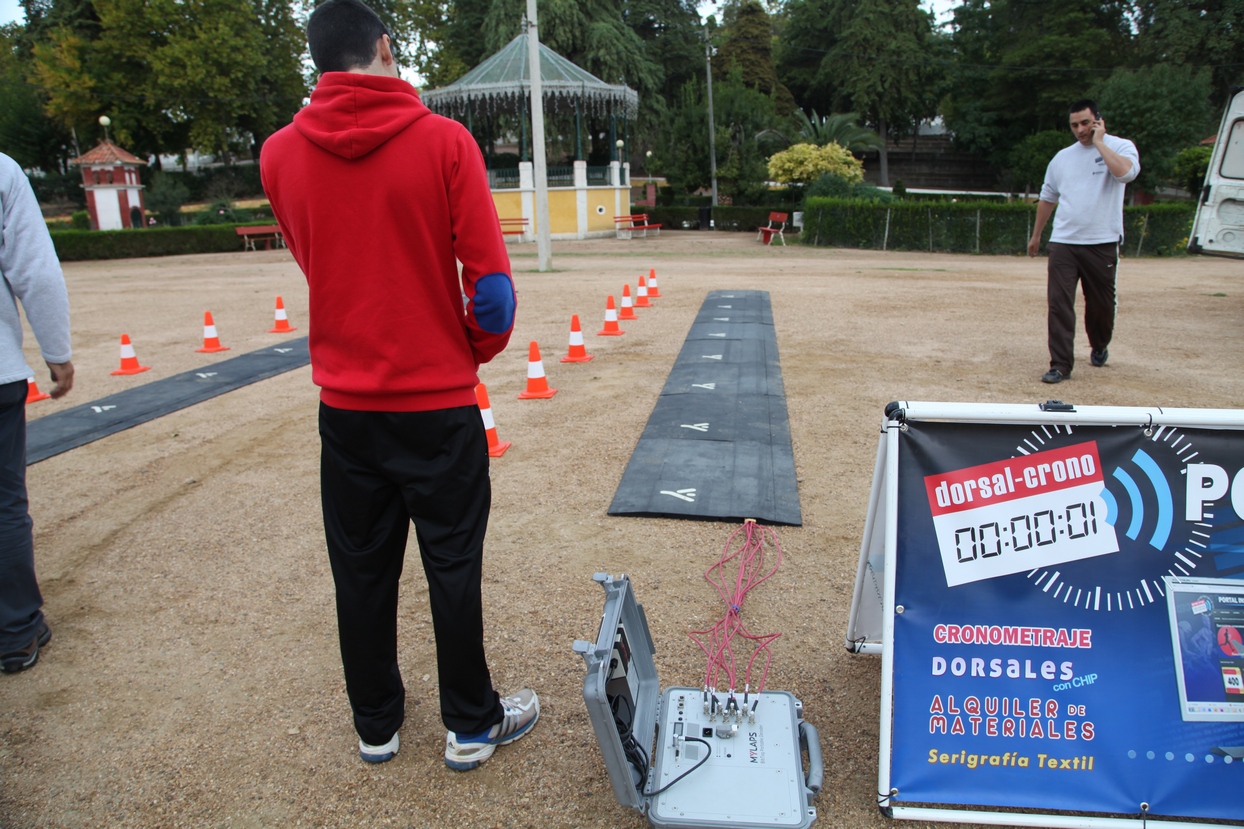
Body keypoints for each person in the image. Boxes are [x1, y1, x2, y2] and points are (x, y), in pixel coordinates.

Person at [259, 0, 535, 770]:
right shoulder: (445, 142)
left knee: (360, 568)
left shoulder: (279, 154)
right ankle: (470, 723)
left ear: (319, 60)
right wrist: (467, 351)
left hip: (346, 405)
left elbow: (318, 259)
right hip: (437, 400)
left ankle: (376, 724)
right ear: (385, 46)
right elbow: (493, 294)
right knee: (452, 563)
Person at [0, 152, 74, 674]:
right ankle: (16, 631)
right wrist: (57, 351)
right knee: (4, 504)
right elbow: (35, 270)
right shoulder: (2, 171)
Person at [1027, 99, 1139, 384]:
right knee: (1059, 303)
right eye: (1074, 125)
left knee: (1100, 304)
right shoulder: (1062, 158)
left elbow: (1126, 173)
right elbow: (1048, 196)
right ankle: (1061, 364)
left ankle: (1099, 344)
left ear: (1098, 120)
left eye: (1085, 123)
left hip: (1102, 241)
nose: (1080, 130)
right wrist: (1037, 234)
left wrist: (1100, 143)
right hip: (1064, 241)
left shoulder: (1121, 146)